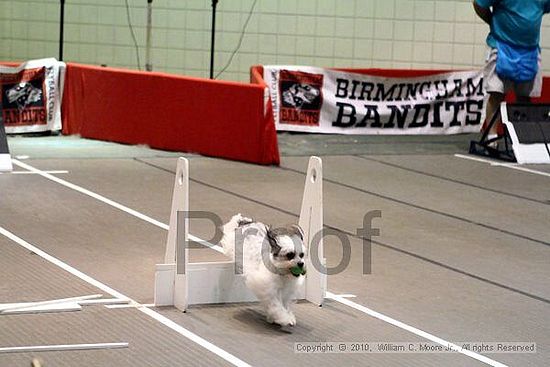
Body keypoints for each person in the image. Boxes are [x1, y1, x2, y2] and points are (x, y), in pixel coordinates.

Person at [473, 0, 550, 141]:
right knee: (496, 93)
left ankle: (523, 136)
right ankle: (491, 136)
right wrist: (491, 21)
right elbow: (478, 4)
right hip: (501, 45)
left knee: (524, 97)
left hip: (529, 51)